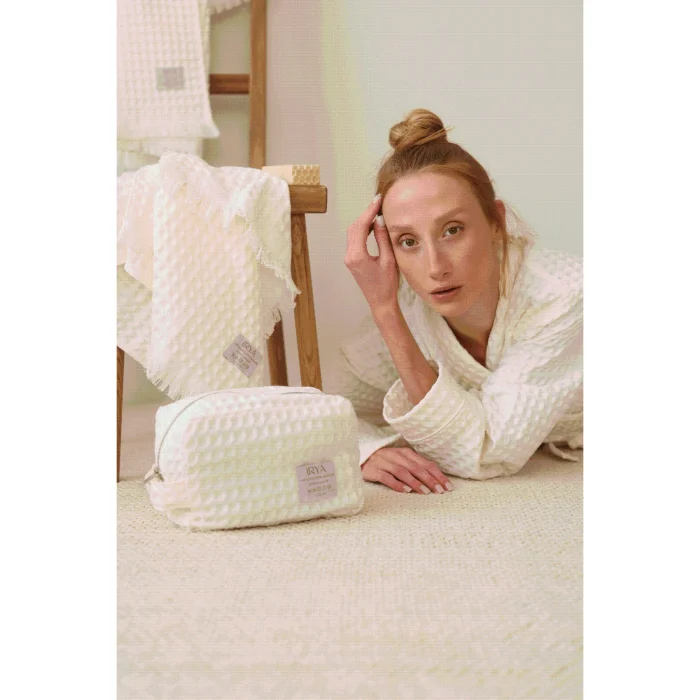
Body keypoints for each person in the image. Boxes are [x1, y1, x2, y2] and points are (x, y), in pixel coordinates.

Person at [324, 108, 583, 495]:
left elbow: (487, 453)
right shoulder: (408, 308)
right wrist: (366, 450)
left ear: (496, 221)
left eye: (452, 230)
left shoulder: (563, 295)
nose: (435, 267)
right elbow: (330, 411)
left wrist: (386, 313)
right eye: (407, 241)